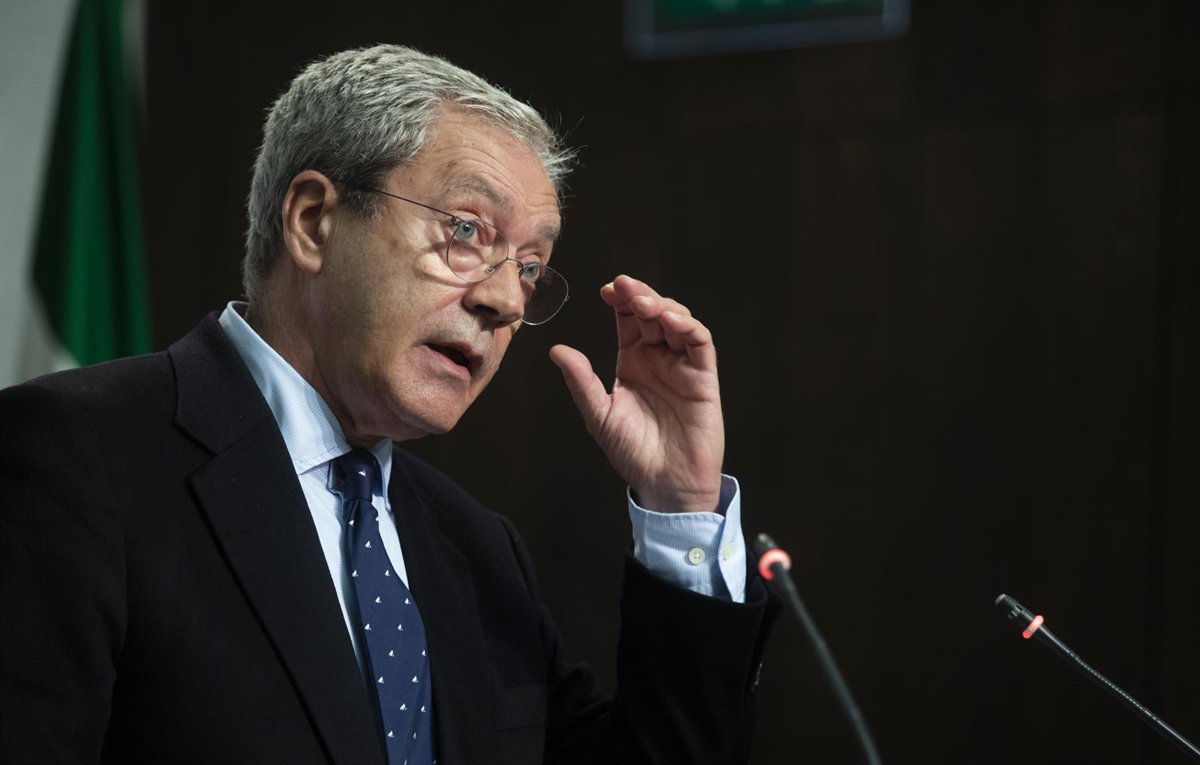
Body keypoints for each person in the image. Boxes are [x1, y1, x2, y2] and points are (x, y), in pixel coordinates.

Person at [0, 45, 776, 764]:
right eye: (466, 230)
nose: (507, 301)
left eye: (531, 268)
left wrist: (680, 505)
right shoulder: (74, 456)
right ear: (313, 221)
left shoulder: (478, 550)